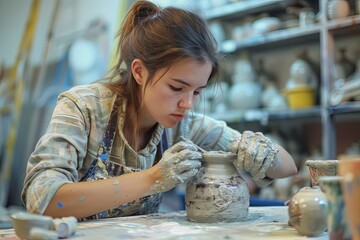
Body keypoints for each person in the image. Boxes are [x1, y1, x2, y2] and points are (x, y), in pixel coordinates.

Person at [22, 0, 297, 220]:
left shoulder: (185, 125)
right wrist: (153, 178)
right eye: (177, 88)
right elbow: (42, 198)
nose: (188, 104)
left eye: (197, 92)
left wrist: (264, 156)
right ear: (139, 72)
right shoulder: (83, 107)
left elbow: (288, 167)